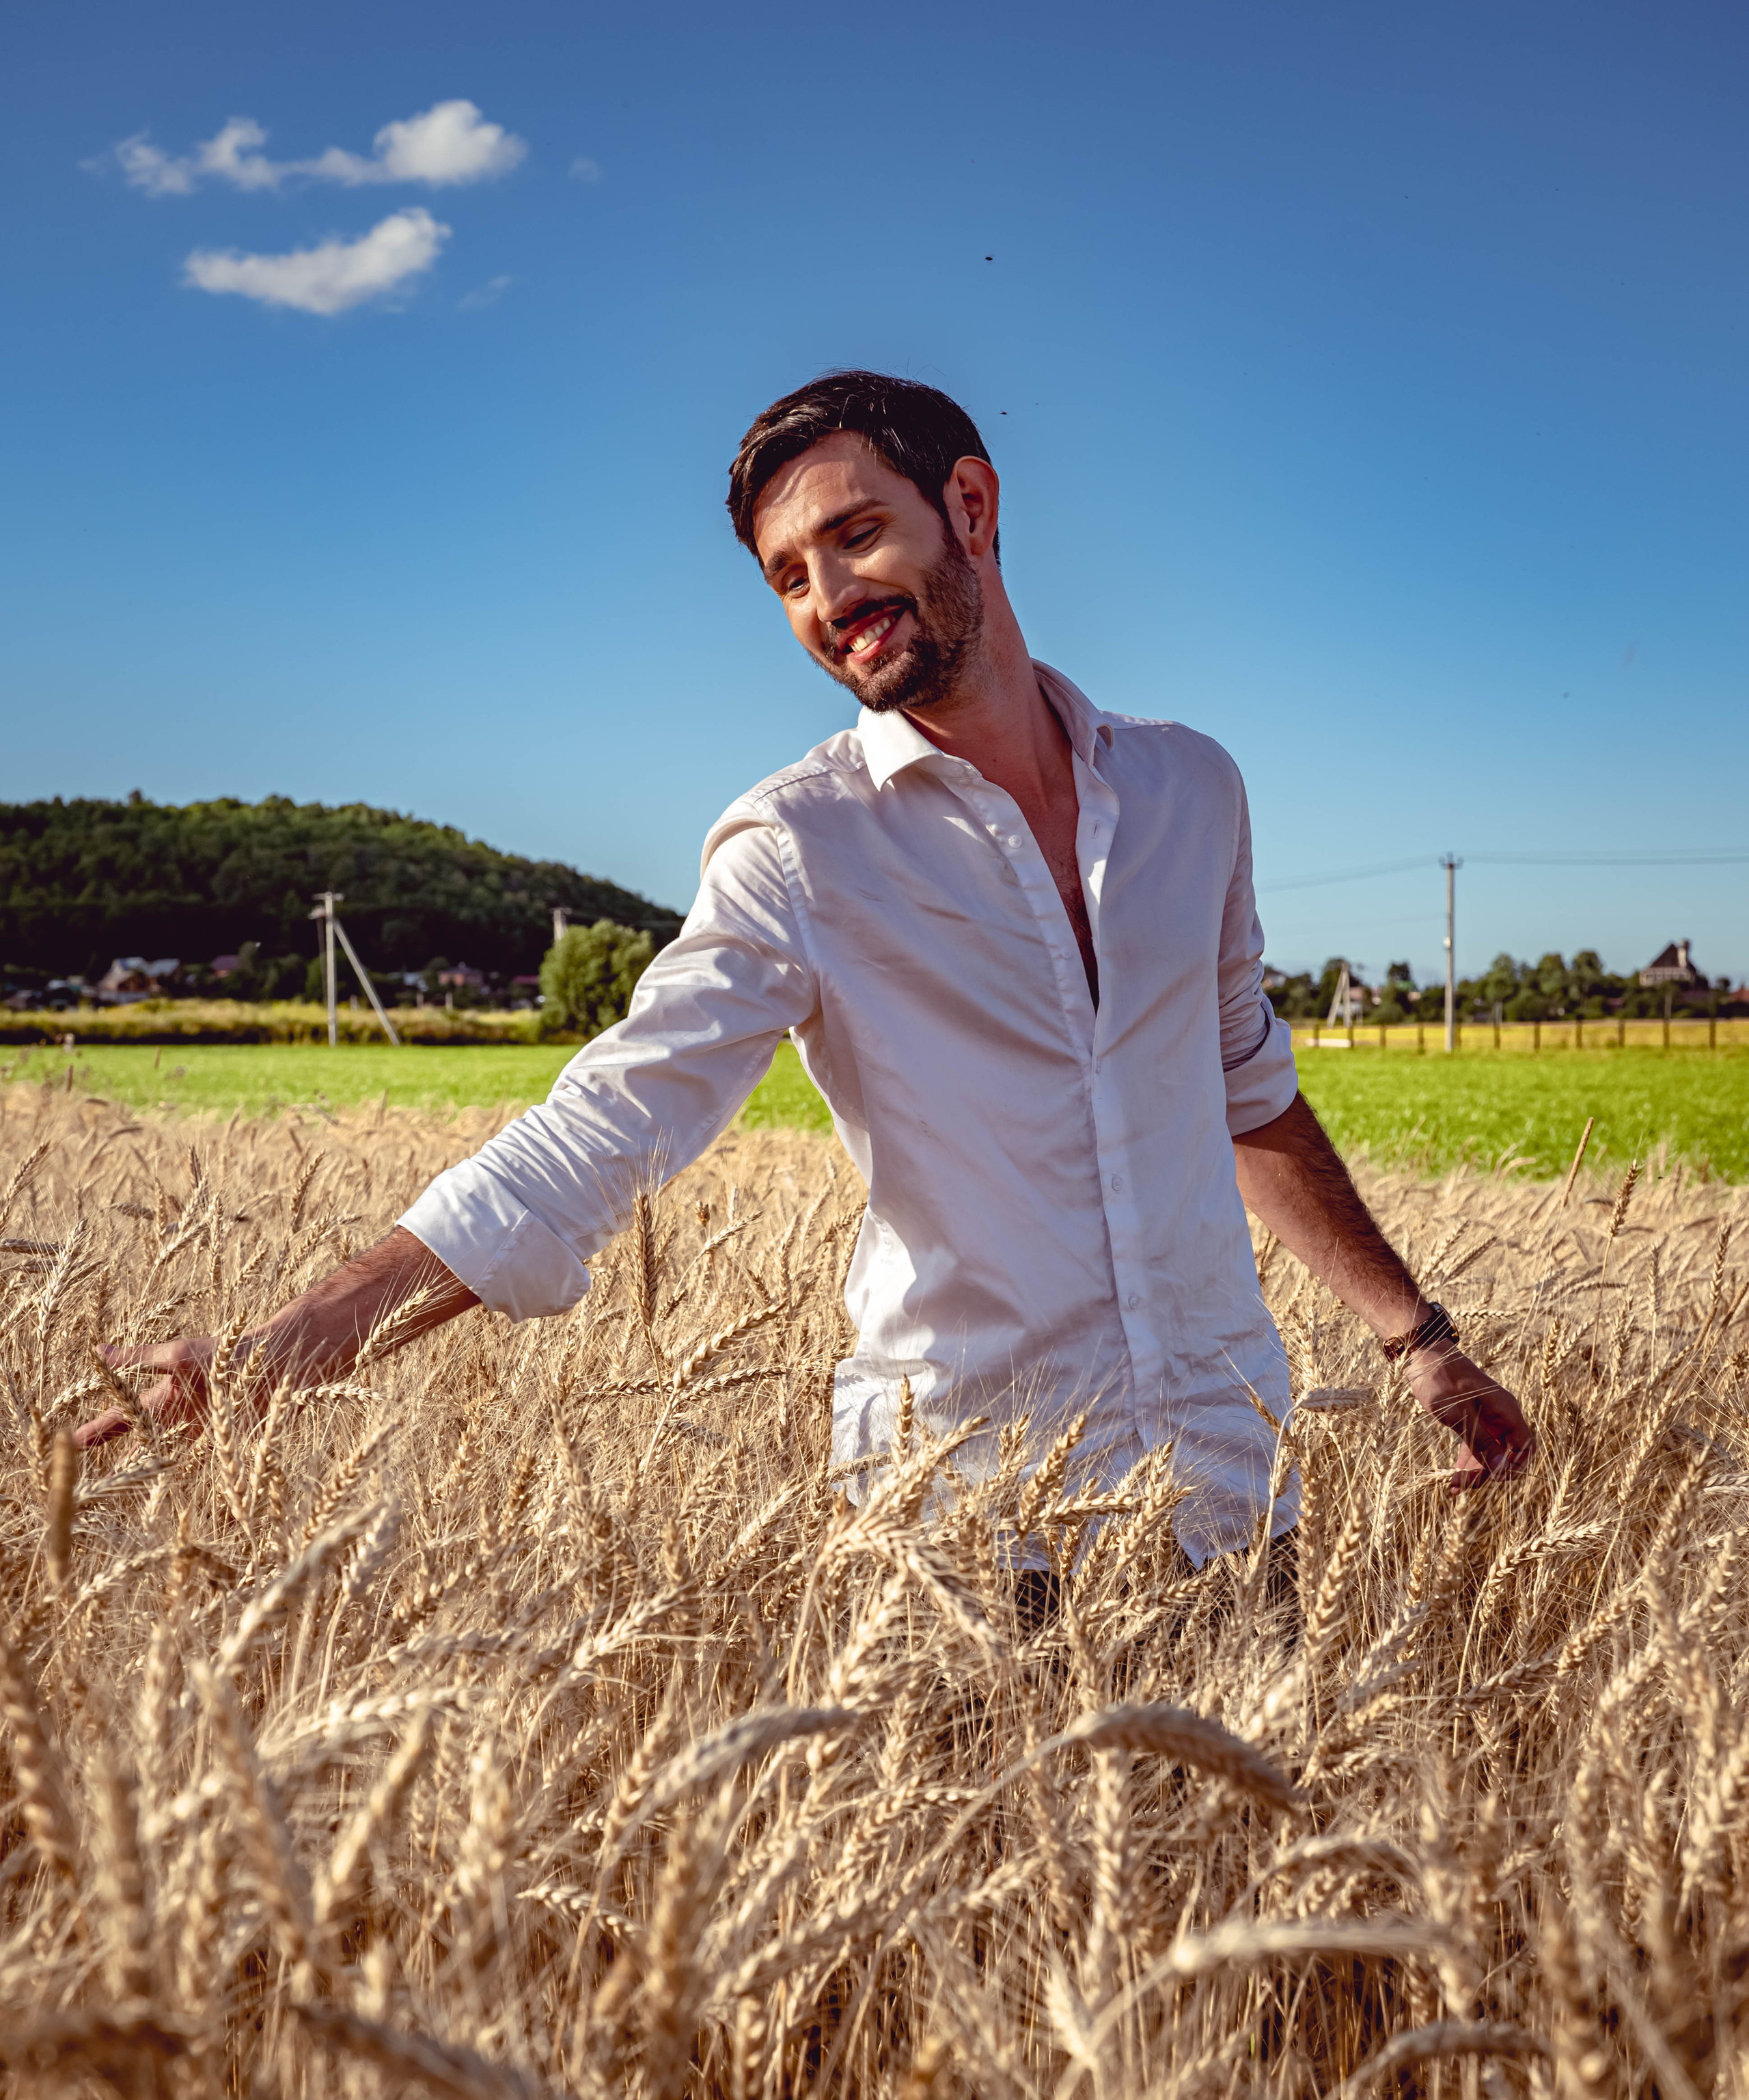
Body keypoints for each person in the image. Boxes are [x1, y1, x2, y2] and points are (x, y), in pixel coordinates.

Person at [80, 370, 1532, 1557]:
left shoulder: (1188, 793)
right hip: (969, 1521)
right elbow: (611, 1119)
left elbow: (1241, 1083)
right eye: (787, 578)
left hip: (1231, 1494)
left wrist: (1415, 1342)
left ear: (969, 501)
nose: (828, 598)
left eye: (853, 536)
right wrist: (302, 1334)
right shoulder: (797, 845)